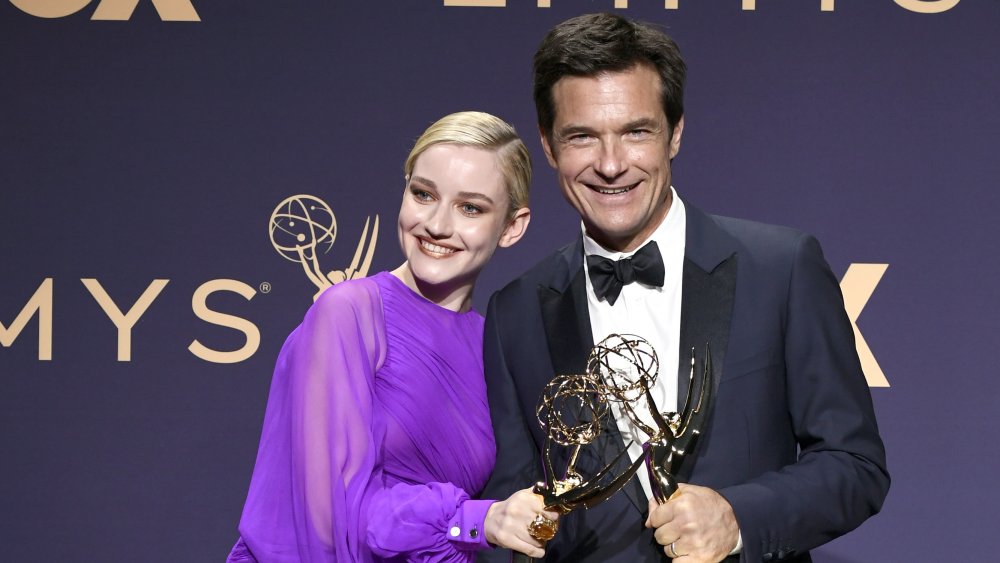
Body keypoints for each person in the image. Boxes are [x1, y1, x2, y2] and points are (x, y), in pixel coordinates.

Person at [479, 13, 889, 563]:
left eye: (635, 131)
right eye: (581, 137)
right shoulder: (516, 312)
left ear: (675, 133)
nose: (610, 164)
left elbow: (855, 466)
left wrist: (737, 517)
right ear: (550, 147)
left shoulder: (782, 268)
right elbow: (513, 509)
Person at [226, 111, 559, 562]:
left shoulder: (491, 343)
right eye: (423, 194)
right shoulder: (348, 312)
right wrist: (478, 520)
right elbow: (331, 517)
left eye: (471, 208)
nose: (437, 224)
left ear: (512, 226)